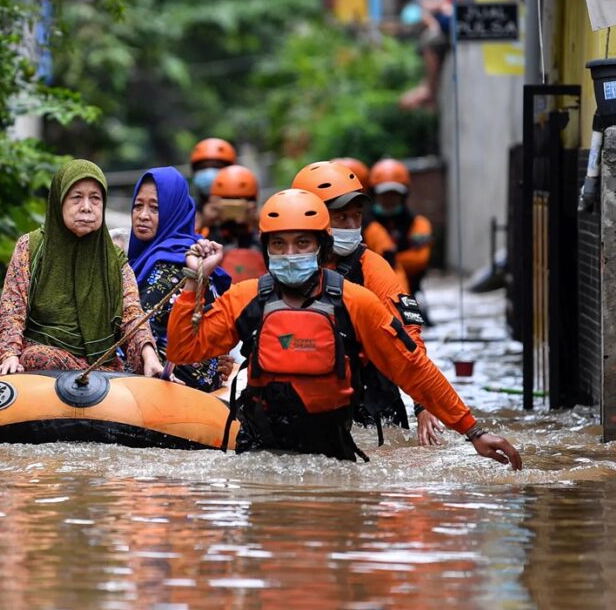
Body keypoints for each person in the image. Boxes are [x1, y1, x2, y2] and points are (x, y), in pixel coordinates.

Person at [166, 189, 521, 468]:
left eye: (302, 243)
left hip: (333, 453)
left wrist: (472, 430)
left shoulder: (356, 302)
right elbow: (184, 351)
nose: (290, 253)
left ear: (321, 247)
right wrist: (194, 281)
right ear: (267, 248)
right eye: (279, 244)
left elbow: (411, 366)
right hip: (260, 453)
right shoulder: (246, 298)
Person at [292, 161, 443, 445]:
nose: (351, 226)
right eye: (341, 217)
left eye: (356, 216)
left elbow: (408, 338)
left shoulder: (372, 267)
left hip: (369, 397)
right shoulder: (284, 267)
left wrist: (423, 403)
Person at [0, 160, 165, 378]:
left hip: (101, 366)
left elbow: (132, 315)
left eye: (95, 198)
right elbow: (12, 309)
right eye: (77, 197)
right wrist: (9, 356)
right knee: (36, 357)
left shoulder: (114, 259)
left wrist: (150, 358)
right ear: (58, 201)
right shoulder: (31, 247)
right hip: (42, 361)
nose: (86, 207)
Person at [128, 167, 233, 390]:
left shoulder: (170, 265)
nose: (143, 215)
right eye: (138, 205)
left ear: (173, 212)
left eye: (155, 208)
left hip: (171, 387)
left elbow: (132, 328)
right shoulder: (190, 252)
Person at [365, 159, 433, 299]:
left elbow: (420, 259)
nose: (389, 199)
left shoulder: (418, 223)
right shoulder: (365, 224)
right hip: (371, 292)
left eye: (394, 194)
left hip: (411, 291)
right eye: (384, 194)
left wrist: (387, 261)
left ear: (403, 196)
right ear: (375, 195)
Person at [203, 164, 267, 284]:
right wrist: (205, 222)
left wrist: (258, 222)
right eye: (227, 202)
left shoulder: (262, 234)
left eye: (239, 202)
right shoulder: (208, 234)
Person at [189, 137, 237, 228]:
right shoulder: (187, 212)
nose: (209, 173)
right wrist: (203, 224)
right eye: (203, 168)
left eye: (216, 167)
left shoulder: (241, 205)